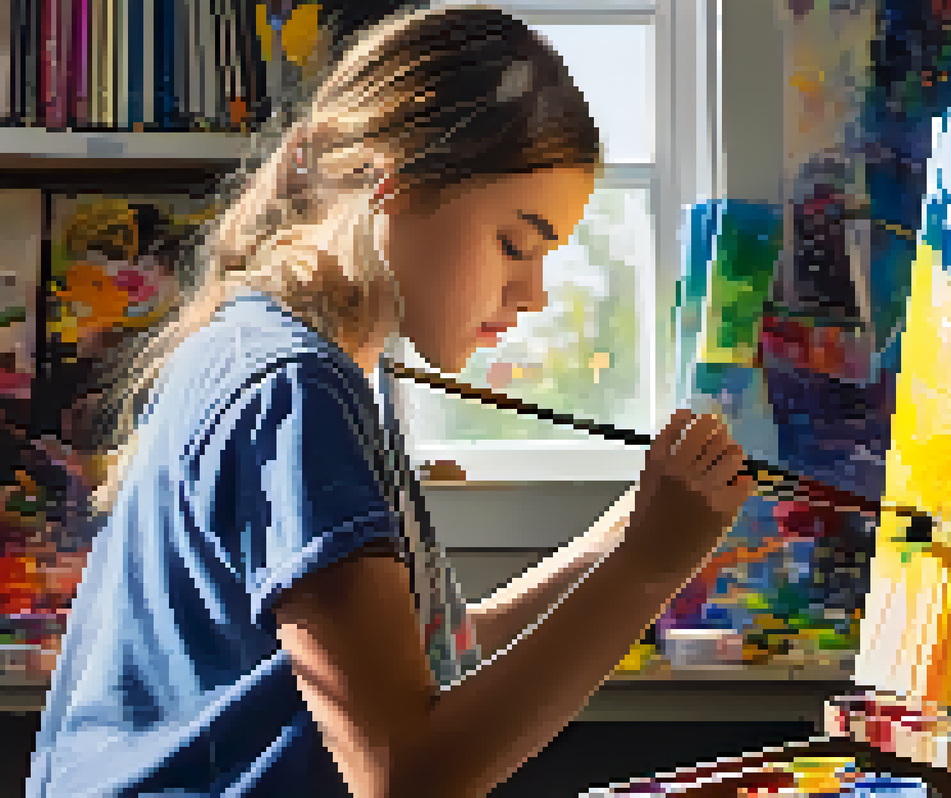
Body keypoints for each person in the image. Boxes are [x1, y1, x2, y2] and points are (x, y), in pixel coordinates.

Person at [26, 6, 757, 797]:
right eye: (517, 243)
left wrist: (617, 540)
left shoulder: (307, 362)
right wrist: (648, 569)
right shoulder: (291, 387)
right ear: (395, 188)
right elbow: (407, 776)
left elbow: (443, 653)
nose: (534, 292)